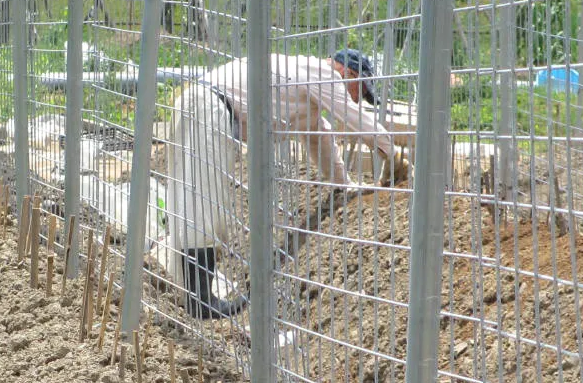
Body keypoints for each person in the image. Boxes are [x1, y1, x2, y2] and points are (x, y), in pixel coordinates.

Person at [164, 49, 411, 319]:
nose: (356, 99)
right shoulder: (325, 75)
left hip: (199, 104)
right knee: (204, 203)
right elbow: (355, 118)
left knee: (190, 200)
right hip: (208, 110)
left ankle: (193, 297)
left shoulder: (305, 82)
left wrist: (344, 185)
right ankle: (201, 301)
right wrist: (393, 153)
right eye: (359, 91)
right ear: (349, 74)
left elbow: (320, 140)